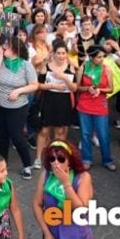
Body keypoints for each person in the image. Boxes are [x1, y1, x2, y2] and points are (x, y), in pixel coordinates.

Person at [0, 35, 38, 180]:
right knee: (2, 136)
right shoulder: (1, 62)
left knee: (17, 136)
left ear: (16, 49)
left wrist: (18, 91)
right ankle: (3, 164)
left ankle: (27, 165)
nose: (4, 48)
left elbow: (34, 85)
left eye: (7, 46)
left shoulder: (25, 65)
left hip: (17, 107)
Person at [32, 140, 93, 239]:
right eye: (52, 158)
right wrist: (46, 232)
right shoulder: (45, 176)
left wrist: (66, 184)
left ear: (70, 160)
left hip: (77, 238)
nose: (56, 162)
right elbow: (37, 204)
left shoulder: (83, 177)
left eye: (61, 159)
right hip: (52, 235)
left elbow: (81, 211)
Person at [35, 40, 77, 169]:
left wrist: (64, 77)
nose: (61, 56)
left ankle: (58, 155)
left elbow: (74, 88)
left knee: (60, 130)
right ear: (53, 54)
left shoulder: (70, 67)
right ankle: (38, 157)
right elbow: (38, 84)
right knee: (44, 130)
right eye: (58, 53)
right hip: (48, 100)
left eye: (63, 53)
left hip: (63, 102)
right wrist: (51, 85)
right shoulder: (46, 66)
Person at [75, 45, 115, 170]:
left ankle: (107, 159)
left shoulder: (106, 69)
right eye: (99, 57)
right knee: (85, 133)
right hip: (85, 104)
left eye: (103, 56)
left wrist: (100, 90)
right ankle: (86, 158)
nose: (102, 59)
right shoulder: (83, 67)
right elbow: (77, 87)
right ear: (91, 57)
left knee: (103, 134)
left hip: (100, 105)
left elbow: (111, 88)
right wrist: (88, 88)